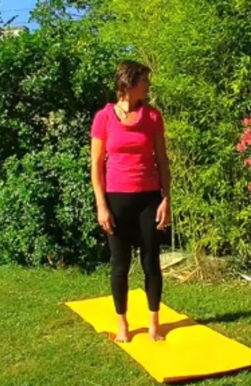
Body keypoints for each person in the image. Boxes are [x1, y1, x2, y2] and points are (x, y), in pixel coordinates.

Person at [90, 60, 172, 343]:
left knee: (151, 261)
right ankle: (122, 324)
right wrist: (101, 205)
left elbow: (162, 161)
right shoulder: (104, 118)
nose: (148, 86)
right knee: (120, 262)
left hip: (149, 198)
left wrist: (166, 199)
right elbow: (96, 166)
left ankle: (153, 324)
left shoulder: (152, 117)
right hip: (116, 199)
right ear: (129, 83)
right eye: (144, 81)